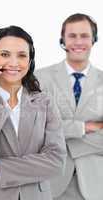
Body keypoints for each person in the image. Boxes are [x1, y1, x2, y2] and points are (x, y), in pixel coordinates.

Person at [0, 25, 66, 200]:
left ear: (30, 62)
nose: (14, 63)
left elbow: (56, 162)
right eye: (5, 55)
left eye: (22, 55)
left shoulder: (45, 102)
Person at [36, 13, 103, 200]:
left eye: (84, 36)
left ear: (94, 40)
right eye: (72, 36)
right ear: (62, 40)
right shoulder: (40, 79)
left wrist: (61, 138)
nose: (78, 41)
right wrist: (85, 127)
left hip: (96, 186)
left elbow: (52, 132)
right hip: (51, 184)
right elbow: (37, 129)